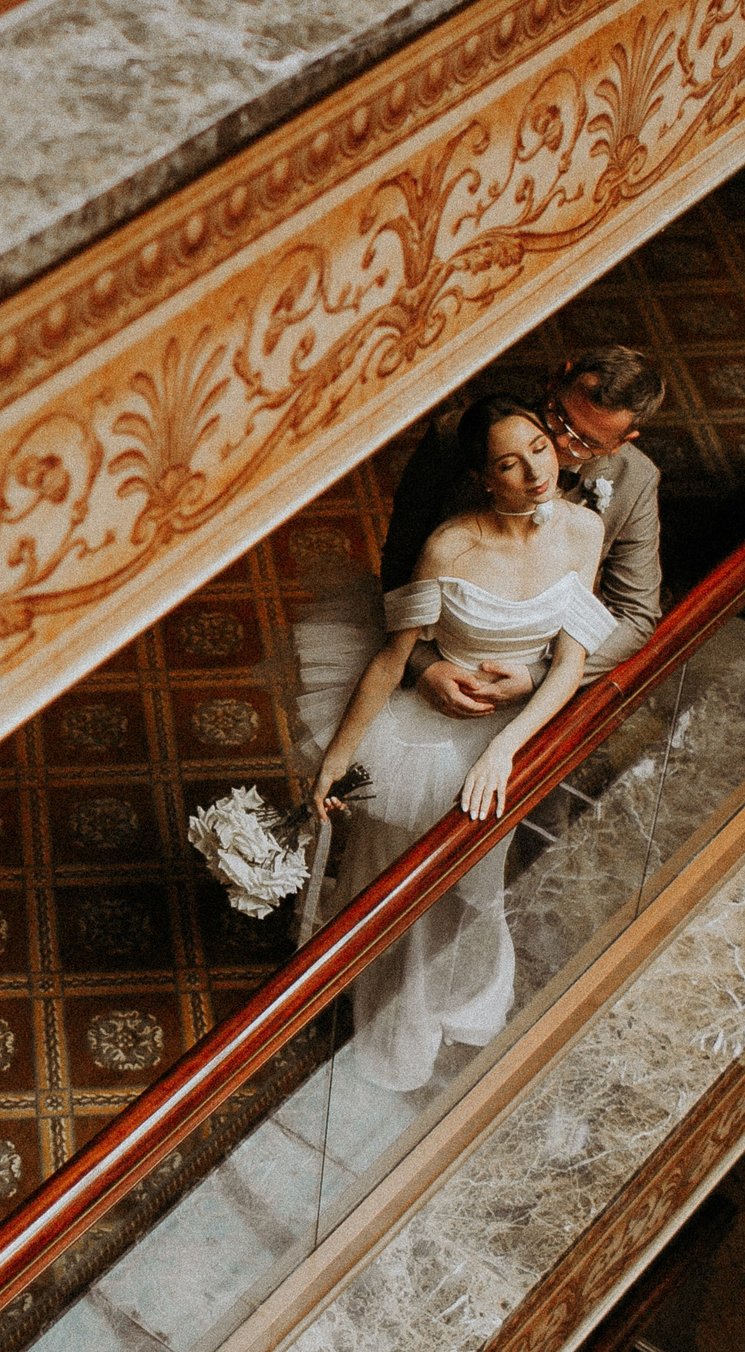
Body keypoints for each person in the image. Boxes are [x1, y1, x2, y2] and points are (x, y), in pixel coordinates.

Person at [301, 397, 617, 1093]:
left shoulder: (586, 529)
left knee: (478, 881)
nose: (534, 470)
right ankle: (390, 1024)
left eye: (538, 447)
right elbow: (393, 659)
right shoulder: (450, 545)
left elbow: (567, 663)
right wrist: (336, 759)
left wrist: (504, 748)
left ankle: (468, 1000)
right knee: (402, 880)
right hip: (422, 734)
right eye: (509, 462)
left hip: (508, 737)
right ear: (484, 477)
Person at [379, 347, 664, 717]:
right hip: (435, 644)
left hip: (543, 673)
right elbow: (401, 558)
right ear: (555, 379)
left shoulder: (635, 481)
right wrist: (422, 666)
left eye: (585, 443)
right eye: (559, 418)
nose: (561, 444)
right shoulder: (454, 438)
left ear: (622, 442)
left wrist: (541, 676)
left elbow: (635, 613)